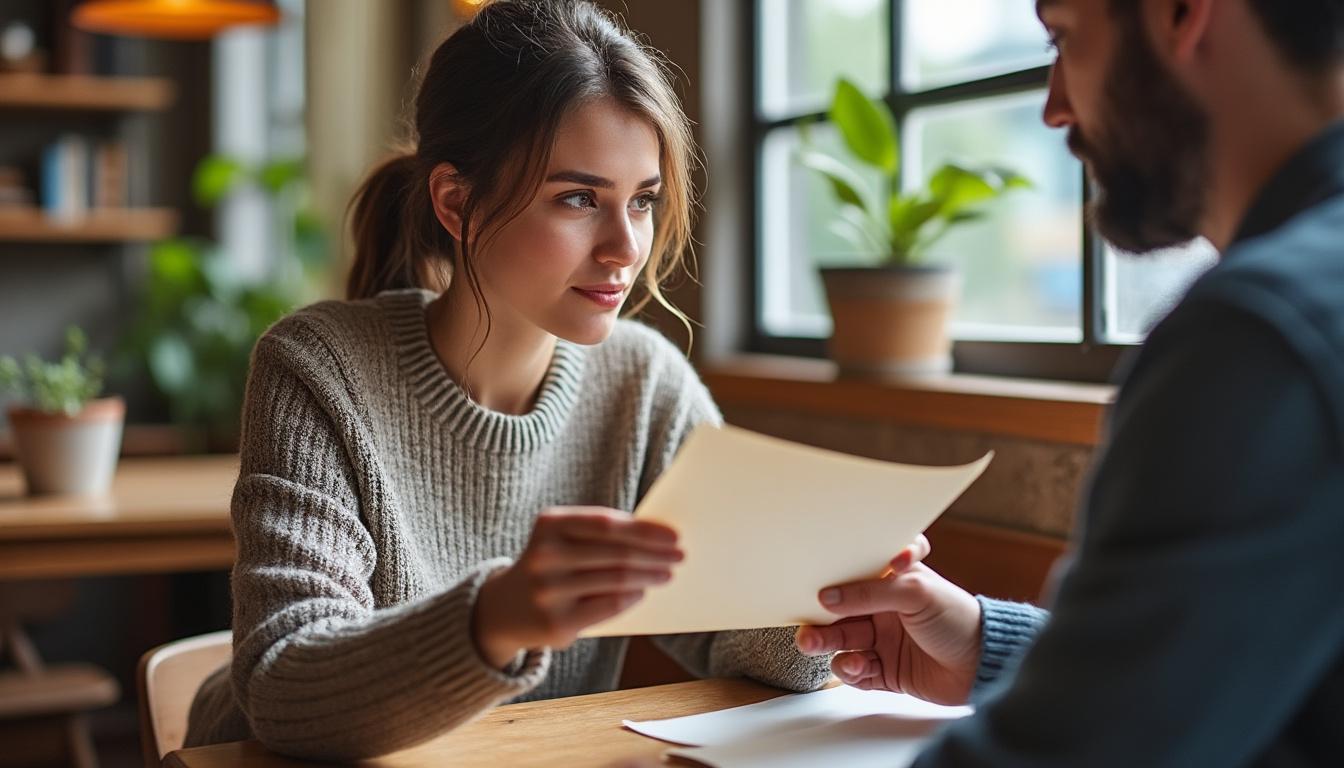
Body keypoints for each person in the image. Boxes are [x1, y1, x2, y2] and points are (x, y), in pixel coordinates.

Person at [181, 0, 840, 759]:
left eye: (643, 201)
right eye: (578, 199)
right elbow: (284, 690)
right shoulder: (318, 368)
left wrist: (829, 603)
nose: (625, 247)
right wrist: (495, 617)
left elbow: (737, 629)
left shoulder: (645, 381)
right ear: (457, 202)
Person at [796, 0, 1344, 764]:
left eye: (1066, 40)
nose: (1055, 107)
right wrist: (995, 649)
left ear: (1181, 15)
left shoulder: (1261, 334)